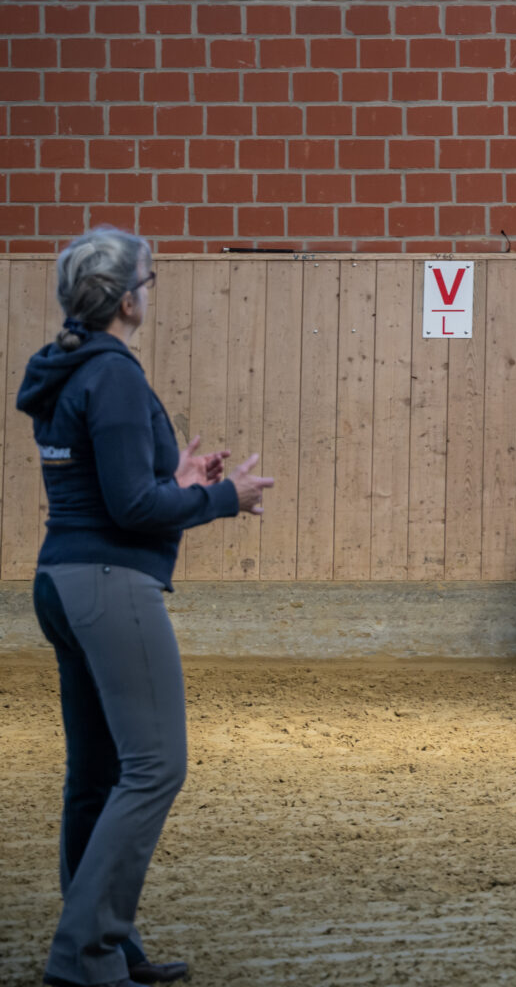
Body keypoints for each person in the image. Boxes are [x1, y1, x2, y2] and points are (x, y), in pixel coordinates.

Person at [16, 226, 273, 987]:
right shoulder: (116, 374)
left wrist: (183, 477)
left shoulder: (67, 368)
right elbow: (131, 506)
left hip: (63, 578)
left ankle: (102, 940)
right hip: (110, 584)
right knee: (156, 765)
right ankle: (86, 954)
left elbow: (112, 481)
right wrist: (222, 497)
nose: (151, 291)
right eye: (149, 281)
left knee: (95, 776)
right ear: (126, 298)